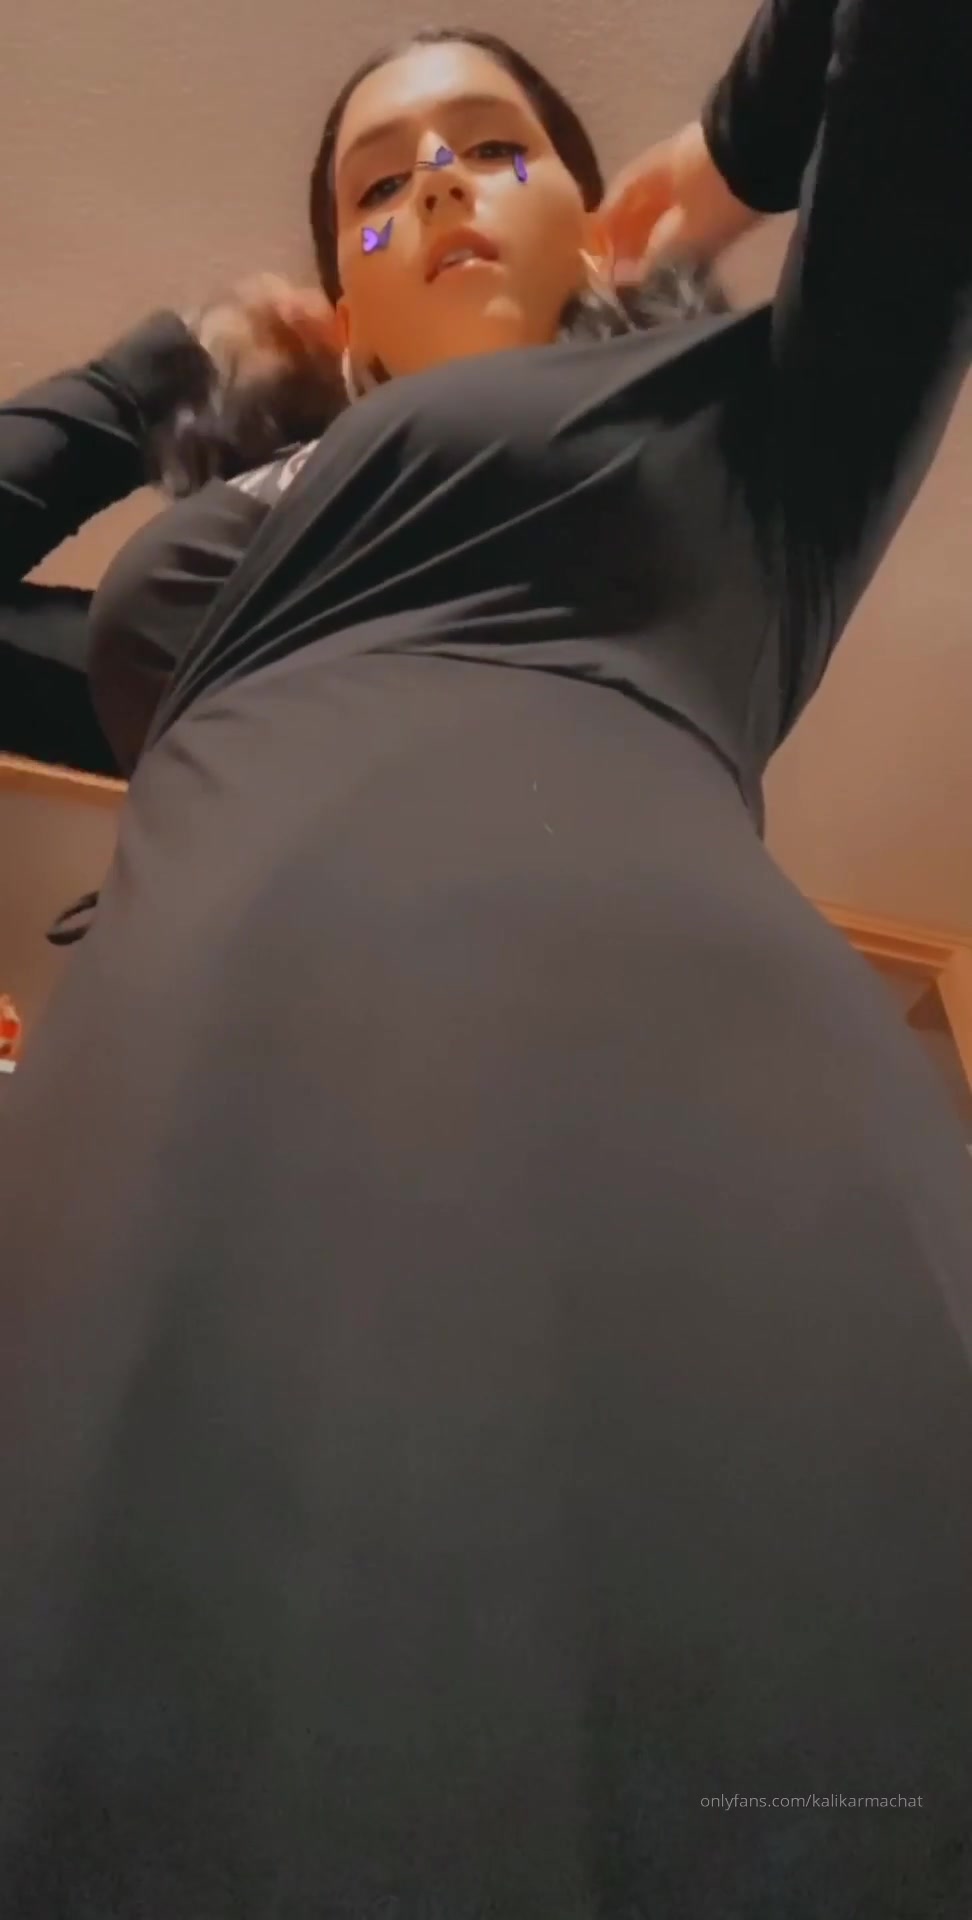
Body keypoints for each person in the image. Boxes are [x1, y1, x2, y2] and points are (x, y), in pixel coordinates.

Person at [1, 1, 971, 1914]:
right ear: (344, 307)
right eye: (379, 184)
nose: (437, 181)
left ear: (589, 224)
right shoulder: (221, 558)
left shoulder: (749, 415)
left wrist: (741, 154)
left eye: (492, 146)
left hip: (676, 1094)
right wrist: (161, 366)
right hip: (178, 1096)